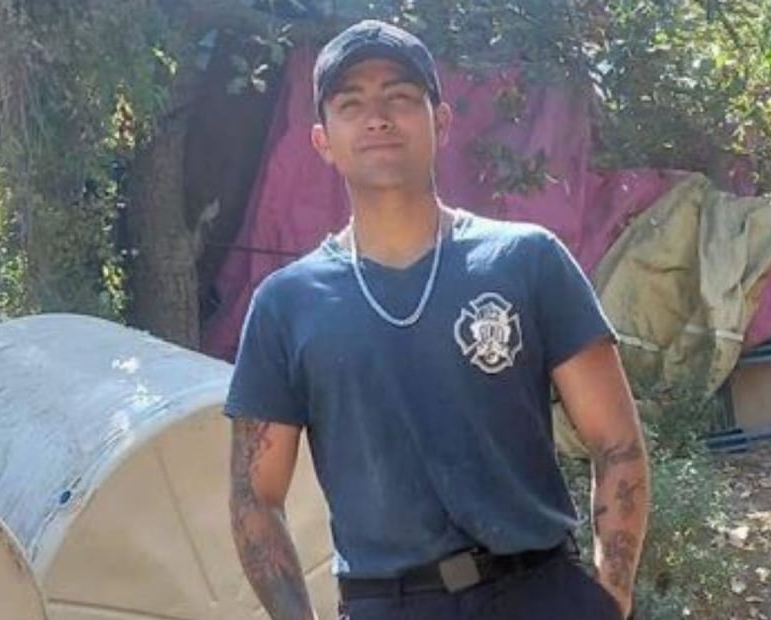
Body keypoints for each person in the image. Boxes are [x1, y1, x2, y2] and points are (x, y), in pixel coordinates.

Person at [225, 19, 649, 620]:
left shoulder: (526, 261)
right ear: (322, 140)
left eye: (399, 96)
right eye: (351, 104)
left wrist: (610, 596)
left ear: (441, 122)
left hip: (538, 589)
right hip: (389, 602)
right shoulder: (286, 304)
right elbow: (255, 496)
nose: (377, 118)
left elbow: (617, 442)